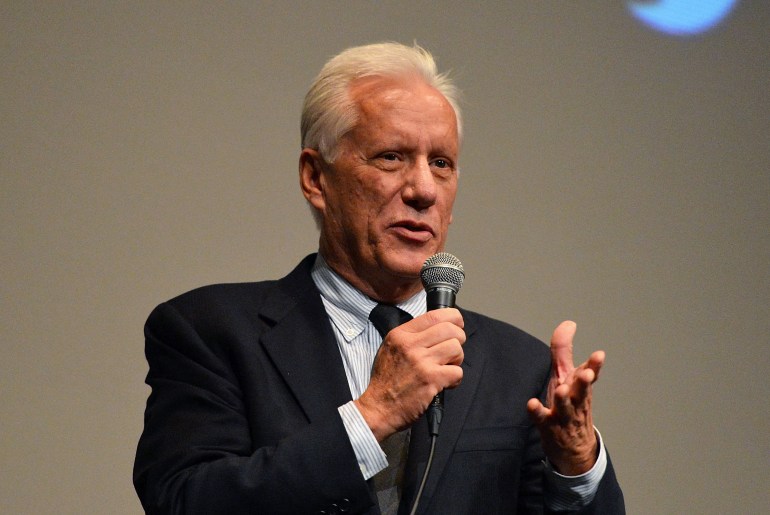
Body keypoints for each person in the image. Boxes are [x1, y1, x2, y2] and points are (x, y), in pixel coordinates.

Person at [134, 42, 624, 514]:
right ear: (315, 178)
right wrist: (372, 416)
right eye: (391, 156)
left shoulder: (519, 367)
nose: (423, 190)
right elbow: (183, 499)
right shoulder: (210, 332)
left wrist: (576, 466)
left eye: (441, 163)